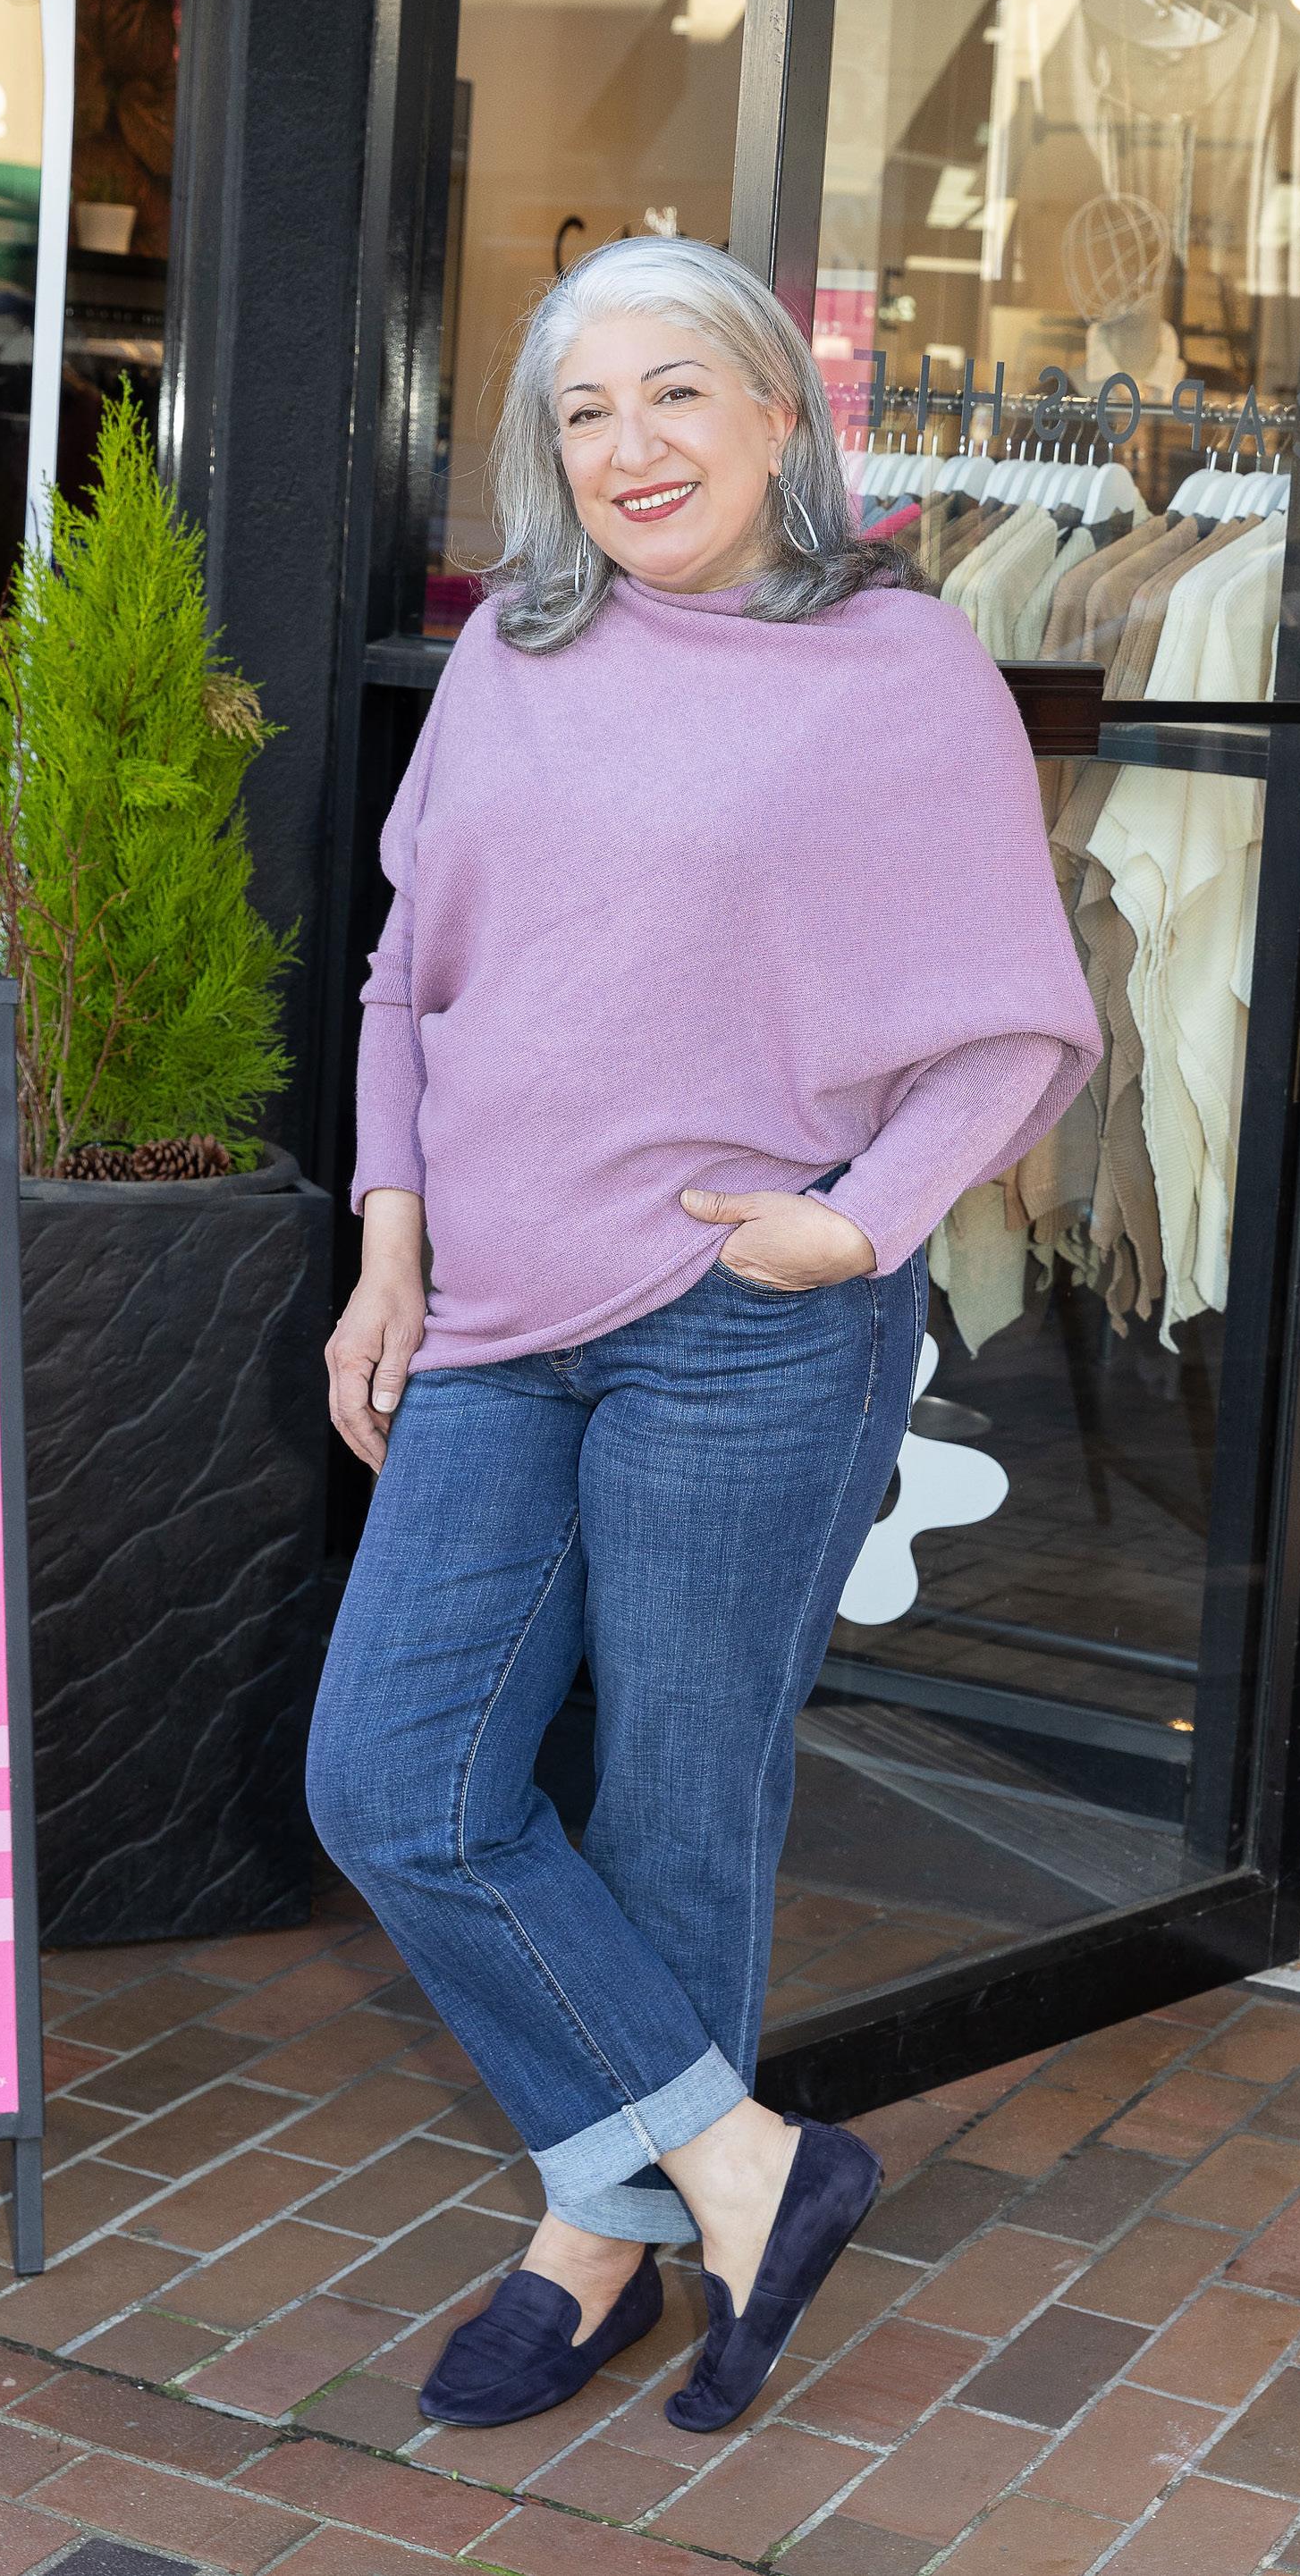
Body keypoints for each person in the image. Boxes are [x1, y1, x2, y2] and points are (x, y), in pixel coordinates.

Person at [308, 237, 1102, 2437]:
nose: (632, 446)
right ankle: (749, 2168)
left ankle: (597, 2244)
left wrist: (856, 1228)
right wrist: (388, 1242)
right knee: (392, 1780)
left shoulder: (896, 665)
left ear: (775, 415)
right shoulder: (517, 654)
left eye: (677, 394)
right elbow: (406, 975)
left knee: (680, 1787)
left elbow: (1020, 1021)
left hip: (739, 1322)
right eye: (584, 411)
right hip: (491, 1311)